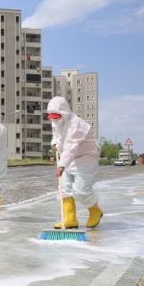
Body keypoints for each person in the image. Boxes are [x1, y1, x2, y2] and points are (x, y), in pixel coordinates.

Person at [47, 96, 102, 229]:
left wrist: (61, 165)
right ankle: (70, 219)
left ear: (64, 112)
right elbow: (56, 136)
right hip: (68, 158)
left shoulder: (76, 124)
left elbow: (71, 147)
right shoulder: (56, 120)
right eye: (52, 117)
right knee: (64, 189)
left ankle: (95, 211)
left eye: (56, 116)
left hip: (85, 158)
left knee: (81, 191)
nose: (54, 119)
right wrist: (54, 143)